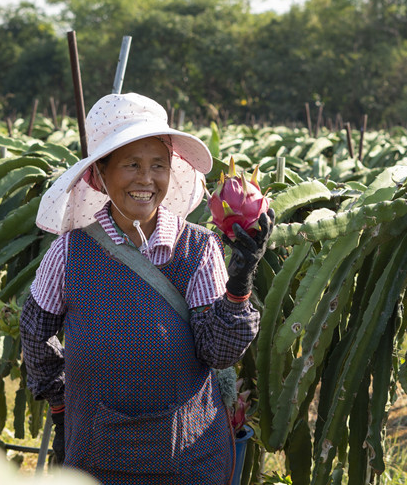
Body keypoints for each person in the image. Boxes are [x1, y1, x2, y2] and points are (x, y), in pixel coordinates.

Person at [20, 92, 274, 485]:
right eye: (131, 165)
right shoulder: (70, 252)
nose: (146, 179)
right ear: (100, 175)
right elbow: (35, 333)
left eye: (159, 165)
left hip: (189, 458)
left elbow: (218, 352)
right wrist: (61, 404)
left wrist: (239, 286)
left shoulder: (199, 248)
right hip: (95, 456)